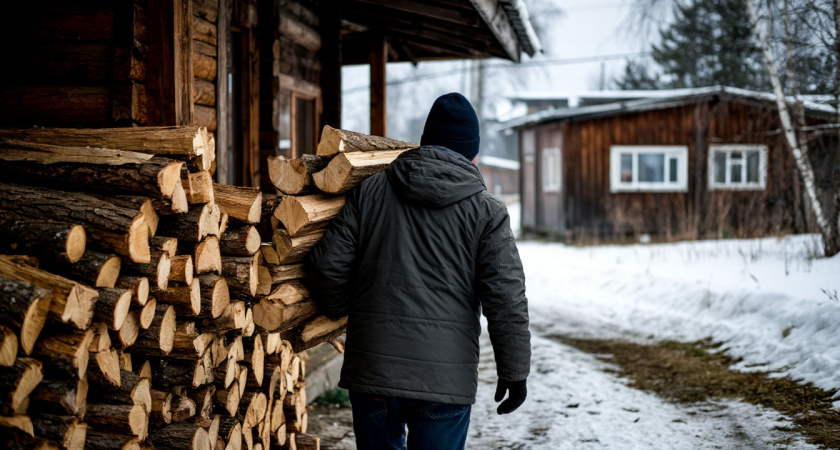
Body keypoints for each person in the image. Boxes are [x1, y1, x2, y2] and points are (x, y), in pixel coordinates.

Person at [305, 92, 530, 450]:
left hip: (372, 372)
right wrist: (514, 371)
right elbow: (506, 299)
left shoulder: (371, 190)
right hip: (445, 381)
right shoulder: (487, 212)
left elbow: (326, 264)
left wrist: (344, 311)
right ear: (472, 154)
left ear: (424, 142)